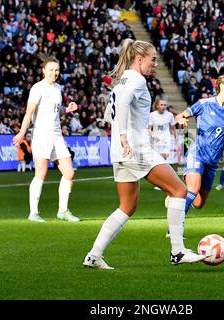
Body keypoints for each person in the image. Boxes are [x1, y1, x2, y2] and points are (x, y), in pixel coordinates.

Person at [83, 39, 207, 270]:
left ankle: (94, 255)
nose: (155, 64)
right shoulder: (137, 80)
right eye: (153, 59)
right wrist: (124, 135)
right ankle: (178, 251)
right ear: (139, 58)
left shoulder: (121, 81)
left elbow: (111, 113)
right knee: (180, 190)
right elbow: (121, 108)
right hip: (136, 148)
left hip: (120, 151)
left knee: (127, 206)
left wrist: (120, 136)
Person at [167, 72, 224, 225]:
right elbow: (180, 116)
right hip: (197, 153)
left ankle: (176, 193)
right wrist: (182, 120)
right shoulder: (204, 104)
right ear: (222, 85)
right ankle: (175, 227)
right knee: (193, 189)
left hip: (213, 161)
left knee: (198, 203)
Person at [13, 56, 80, 223]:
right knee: (41, 173)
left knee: (69, 173)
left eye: (56, 70)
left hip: (57, 135)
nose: (54, 73)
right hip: (42, 134)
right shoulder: (37, 88)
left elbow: (55, 112)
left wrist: (66, 110)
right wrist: (22, 132)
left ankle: (63, 211)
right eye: (51, 69)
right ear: (43, 70)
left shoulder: (58, 88)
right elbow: (29, 113)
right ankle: (33, 212)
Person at [148, 98, 177, 190]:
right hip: (156, 139)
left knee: (163, 158)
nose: (163, 106)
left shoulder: (169, 115)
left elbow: (173, 128)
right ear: (157, 105)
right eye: (161, 105)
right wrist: (152, 135)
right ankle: (161, 181)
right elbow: (149, 128)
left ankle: (164, 182)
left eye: (165, 105)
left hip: (166, 138)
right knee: (157, 161)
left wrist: (176, 139)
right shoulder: (152, 115)